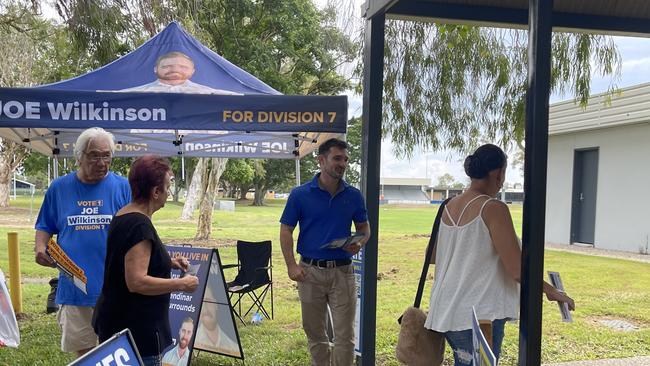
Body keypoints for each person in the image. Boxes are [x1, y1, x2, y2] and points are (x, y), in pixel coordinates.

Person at [424, 144, 576, 366]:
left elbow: (432, 256)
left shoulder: (448, 205)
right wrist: (551, 290)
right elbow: (517, 270)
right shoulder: (493, 208)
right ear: (498, 173)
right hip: (479, 317)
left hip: (447, 311)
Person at [92, 155, 199, 366]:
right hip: (136, 333)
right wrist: (181, 284)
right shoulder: (139, 225)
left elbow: (128, 259)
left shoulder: (124, 215)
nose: (169, 192)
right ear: (156, 191)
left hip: (118, 323)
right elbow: (136, 281)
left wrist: (169, 262)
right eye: (167, 186)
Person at [34, 127, 131, 358]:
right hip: (76, 290)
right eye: (94, 155)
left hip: (115, 288)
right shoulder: (59, 188)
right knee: (86, 356)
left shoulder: (123, 188)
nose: (101, 162)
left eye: (106, 155)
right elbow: (45, 226)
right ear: (79, 157)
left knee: (117, 353)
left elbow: (136, 230)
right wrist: (40, 248)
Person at [279, 138, 371, 366]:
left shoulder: (354, 195)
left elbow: (364, 228)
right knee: (315, 333)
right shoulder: (300, 194)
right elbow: (285, 230)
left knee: (344, 336)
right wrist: (291, 265)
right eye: (337, 158)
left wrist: (360, 242)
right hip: (309, 273)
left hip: (343, 273)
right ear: (321, 160)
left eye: (346, 159)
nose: (343, 164)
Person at [123, 51, 240, 95]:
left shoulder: (212, 95)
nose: (175, 70)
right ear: (155, 69)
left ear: (193, 71)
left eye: (183, 67)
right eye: (167, 66)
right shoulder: (132, 94)